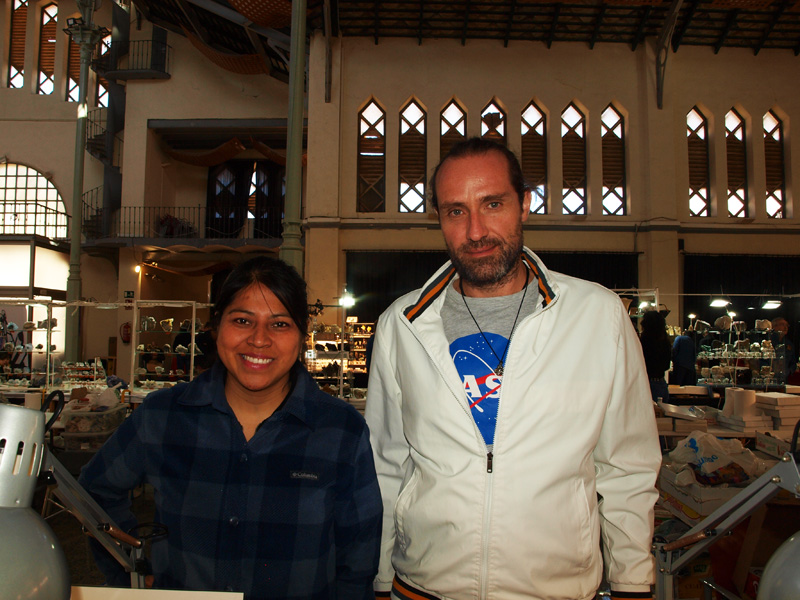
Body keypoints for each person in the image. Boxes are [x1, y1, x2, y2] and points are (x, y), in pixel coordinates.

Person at [365, 138, 660, 600]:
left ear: (525, 204)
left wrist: (631, 581)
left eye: (493, 204)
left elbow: (628, 466)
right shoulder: (402, 325)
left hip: (555, 589)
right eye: (455, 211)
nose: (476, 230)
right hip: (425, 587)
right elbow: (386, 465)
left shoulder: (595, 315)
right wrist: (382, 579)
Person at [79, 256, 382, 599]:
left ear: (302, 336)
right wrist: (131, 568)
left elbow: (358, 558)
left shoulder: (341, 431)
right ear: (217, 326)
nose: (259, 340)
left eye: (280, 324)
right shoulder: (163, 417)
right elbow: (95, 492)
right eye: (242, 320)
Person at [639, 310, 672, 403]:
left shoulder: (644, 342)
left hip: (647, 382)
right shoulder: (665, 342)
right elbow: (666, 366)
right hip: (661, 383)